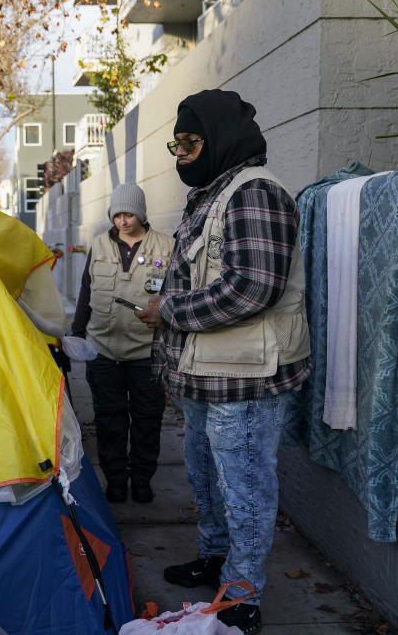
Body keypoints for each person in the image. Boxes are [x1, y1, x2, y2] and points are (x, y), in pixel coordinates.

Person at [134, 89, 310, 635]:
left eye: (189, 142)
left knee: (246, 489)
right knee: (207, 480)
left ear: (221, 140)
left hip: (248, 377)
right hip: (209, 375)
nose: (179, 154)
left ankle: (242, 596)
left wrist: (169, 310)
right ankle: (216, 561)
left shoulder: (255, 193)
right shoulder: (212, 195)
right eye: (176, 143)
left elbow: (251, 289)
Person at [70, 182, 173, 504]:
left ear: (141, 214)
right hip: (104, 350)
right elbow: (86, 293)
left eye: (129, 215)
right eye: (117, 215)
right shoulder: (99, 245)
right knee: (109, 419)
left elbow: (176, 296)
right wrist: (75, 333)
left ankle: (142, 480)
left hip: (147, 352)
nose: (123, 221)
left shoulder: (166, 246)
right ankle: (115, 481)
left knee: (147, 420)